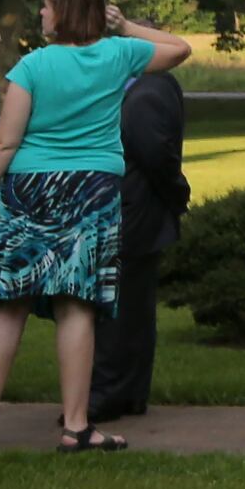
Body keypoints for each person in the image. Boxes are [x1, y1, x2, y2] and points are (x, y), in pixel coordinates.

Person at [0, 0, 193, 452]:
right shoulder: (119, 56)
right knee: (77, 306)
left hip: (28, 189)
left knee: (7, 307)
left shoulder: (32, 67)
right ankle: (77, 426)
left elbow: (4, 142)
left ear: (62, 12)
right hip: (92, 189)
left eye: (46, 6)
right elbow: (179, 48)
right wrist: (125, 28)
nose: (40, 14)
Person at [88, 50, 188, 422]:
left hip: (132, 214)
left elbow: (155, 155)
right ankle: (128, 393)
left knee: (119, 309)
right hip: (137, 213)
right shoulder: (149, 87)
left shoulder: (146, 92)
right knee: (133, 308)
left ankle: (108, 394)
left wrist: (178, 193)